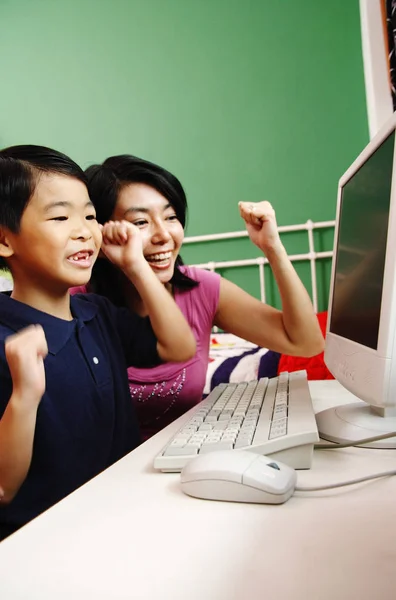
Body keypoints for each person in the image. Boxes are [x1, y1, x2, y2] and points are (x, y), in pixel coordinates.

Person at [0, 145, 196, 540]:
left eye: (90, 215)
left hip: (120, 518)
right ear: (5, 241)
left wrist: (136, 265)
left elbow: (180, 348)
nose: (84, 230)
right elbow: (3, 488)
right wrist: (25, 394)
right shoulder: (7, 337)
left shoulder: (97, 312)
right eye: (60, 216)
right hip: (43, 542)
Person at [73, 154, 324, 440]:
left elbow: (305, 343)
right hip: (109, 472)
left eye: (171, 217)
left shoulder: (199, 289)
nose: (164, 235)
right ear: (102, 231)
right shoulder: (75, 306)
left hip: (186, 457)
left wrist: (272, 247)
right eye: (141, 222)